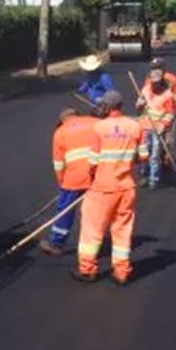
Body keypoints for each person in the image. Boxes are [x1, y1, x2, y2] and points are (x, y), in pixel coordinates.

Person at [75, 90, 148, 284]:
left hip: (102, 189)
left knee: (92, 230)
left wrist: (90, 179)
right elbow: (143, 156)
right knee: (122, 230)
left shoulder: (99, 128)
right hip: (126, 188)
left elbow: (92, 161)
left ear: (107, 107)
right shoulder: (135, 126)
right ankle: (122, 272)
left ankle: (87, 270)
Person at [41, 107, 99, 256]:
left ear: (62, 120)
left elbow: (58, 164)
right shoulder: (96, 122)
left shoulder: (60, 132)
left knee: (65, 209)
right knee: (100, 208)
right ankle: (107, 236)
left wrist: (62, 184)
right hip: (98, 175)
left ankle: (56, 243)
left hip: (74, 178)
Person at [136, 67, 176, 189]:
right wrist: (139, 104)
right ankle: (143, 175)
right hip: (144, 127)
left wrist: (162, 126)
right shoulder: (145, 90)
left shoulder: (168, 95)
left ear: (161, 81)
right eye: (152, 82)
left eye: (156, 82)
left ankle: (153, 180)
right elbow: (139, 111)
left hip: (157, 129)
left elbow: (170, 114)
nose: (154, 84)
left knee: (154, 155)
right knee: (143, 153)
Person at [142, 56, 176, 147]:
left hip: (168, 110)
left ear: (163, 68)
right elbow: (146, 93)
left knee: (168, 136)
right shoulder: (150, 78)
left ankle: (166, 157)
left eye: (157, 67)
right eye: (153, 68)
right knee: (156, 136)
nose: (155, 70)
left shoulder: (172, 79)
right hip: (156, 111)